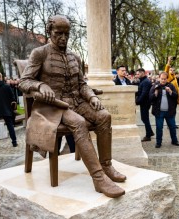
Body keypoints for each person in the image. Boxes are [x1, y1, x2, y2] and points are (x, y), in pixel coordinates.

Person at [19, 15, 125, 198]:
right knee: (79, 123)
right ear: (49, 32)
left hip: (77, 102)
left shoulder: (74, 56)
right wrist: (40, 85)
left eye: (66, 34)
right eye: (58, 33)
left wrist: (91, 96)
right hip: (53, 107)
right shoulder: (40, 53)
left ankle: (106, 165)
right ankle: (98, 178)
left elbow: (82, 84)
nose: (63, 37)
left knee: (104, 116)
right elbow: (24, 81)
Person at [149, 72, 179, 148]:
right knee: (159, 128)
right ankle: (158, 142)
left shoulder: (171, 85)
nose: (163, 80)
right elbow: (150, 98)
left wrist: (170, 91)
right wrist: (155, 94)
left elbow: (176, 96)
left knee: (172, 127)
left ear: (167, 79)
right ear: (159, 78)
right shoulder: (155, 86)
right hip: (159, 112)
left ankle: (174, 140)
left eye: (165, 79)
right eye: (162, 79)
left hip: (170, 111)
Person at [135, 68, 155, 142]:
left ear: (142, 73)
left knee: (145, 119)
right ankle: (150, 132)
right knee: (144, 118)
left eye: (138, 73)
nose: (137, 75)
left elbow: (144, 93)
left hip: (145, 103)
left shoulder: (146, 81)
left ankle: (148, 135)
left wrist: (137, 101)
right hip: (144, 102)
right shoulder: (143, 80)